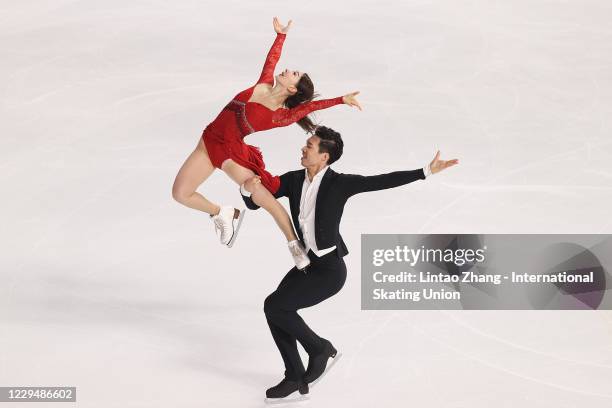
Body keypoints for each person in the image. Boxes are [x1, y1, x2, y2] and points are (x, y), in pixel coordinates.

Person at [240, 126, 458, 401]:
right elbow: (257, 202)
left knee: (277, 307)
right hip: (307, 265)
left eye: (310, 145)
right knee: (275, 308)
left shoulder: (339, 183)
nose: (303, 149)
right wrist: (247, 189)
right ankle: (295, 375)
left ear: (324, 157)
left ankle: (319, 350)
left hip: (329, 271)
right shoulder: (294, 180)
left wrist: (425, 171)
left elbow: (381, 181)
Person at [171, 18, 361, 269]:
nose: (287, 70)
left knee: (265, 198)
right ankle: (222, 212)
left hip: (230, 150)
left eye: (294, 74)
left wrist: (340, 100)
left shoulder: (281, 115)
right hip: (208, 140)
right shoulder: (263, 84)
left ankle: (293, 243)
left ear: (293, 89)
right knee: (180, 194)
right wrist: (280, 36)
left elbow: (311, 106)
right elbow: (271, 59)